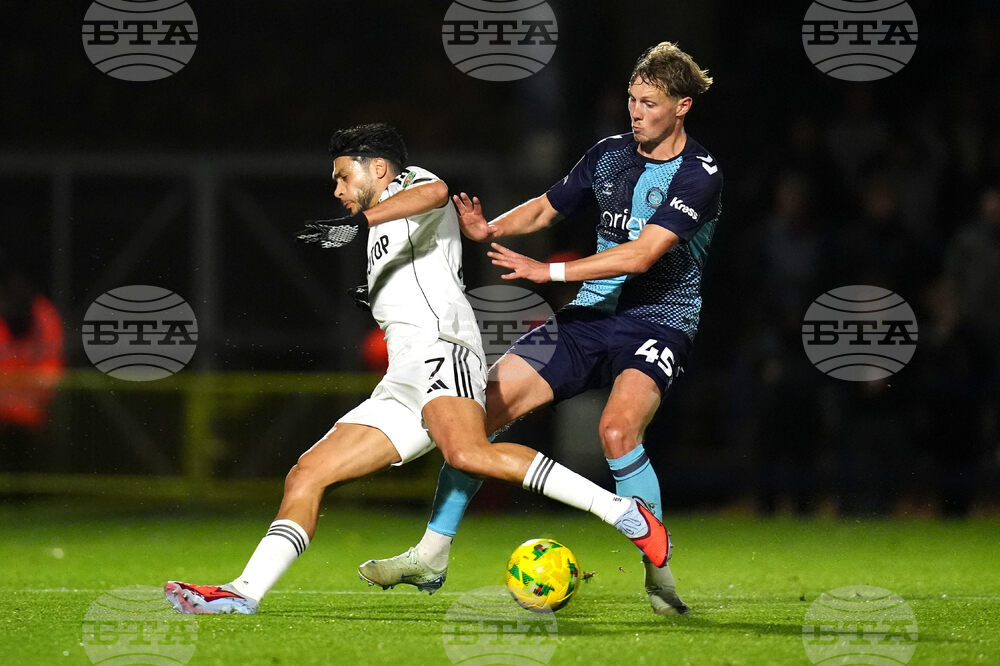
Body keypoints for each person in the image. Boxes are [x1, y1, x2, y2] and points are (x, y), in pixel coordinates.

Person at [164, 123, 671, 615]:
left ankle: (622, 512)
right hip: (403, 373)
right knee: (308, 473)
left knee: (469, 452)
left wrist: (362, 221)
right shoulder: (384, 222)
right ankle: (243, 592)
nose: (337, 187)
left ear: (379, 168)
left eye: (344, 176)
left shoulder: (410, 184)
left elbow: (437, 193)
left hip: (442, 347)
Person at [360, 42, 722, 616]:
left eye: (649, 103)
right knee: (478, 414)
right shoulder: (609, 154)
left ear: (681, 107)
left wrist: (544, 270)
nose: (635, 112)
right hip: (589, 317)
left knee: (617, 433)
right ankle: (432, 554)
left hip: (659, 321)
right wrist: (490, 229)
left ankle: (660, 577)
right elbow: (549, 207)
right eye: (631, 99)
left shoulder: (700, 174)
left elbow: (641, 256)